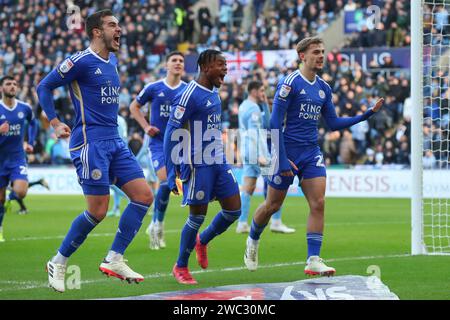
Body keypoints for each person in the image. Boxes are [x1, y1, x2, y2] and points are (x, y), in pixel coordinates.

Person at [243, 37, 384, 276]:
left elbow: (334, 123)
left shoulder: (324, 88)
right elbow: (276, 122)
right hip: (286, 150)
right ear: (303, 56)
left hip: (311, 152)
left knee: (319, 203)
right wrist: (280, 157)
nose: (321, 55)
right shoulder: (289, 83)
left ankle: (313, 259)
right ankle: (252, 241)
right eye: (316, 52)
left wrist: (366, 115)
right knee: (271, 205)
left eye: (322, 51)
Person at [36, 10, 153, 293]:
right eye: (113, 25)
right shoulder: (80, 61)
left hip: (115, 141)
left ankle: (114, 258)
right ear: (96, 32)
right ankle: (58, 261)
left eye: (120, 24)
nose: (120, 29)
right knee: (97, 211)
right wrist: (54, 121)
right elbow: (44, 86)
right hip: (90, 144)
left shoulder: (112, 62)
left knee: (143, 196)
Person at [164, 49, 241, 284]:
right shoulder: (190, 95)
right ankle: (180, 266)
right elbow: (171, 132)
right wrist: (171, 170)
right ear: (206, 67)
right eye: (221, 64)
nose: (225, 69)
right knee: (197, 216)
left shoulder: (214, 91)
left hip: (218, 159)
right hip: (197, 163)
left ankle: (202, 240)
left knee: (233, 211)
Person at [129, 51, 186, 250]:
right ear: (166, 65)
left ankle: (155, 222)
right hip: (158, 143)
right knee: (165, 180)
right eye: (174, 60)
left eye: (181, 61)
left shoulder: (187, 90)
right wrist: (145, 127)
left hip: (179, 144)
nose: (178, 63)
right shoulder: (154, 88)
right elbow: (134, 107)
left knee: (173, 186)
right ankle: (158, 225)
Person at [237, 80, 295, 234]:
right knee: (278, 183)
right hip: (257, 152)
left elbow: (263, 125)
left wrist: (264, 105)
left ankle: (242, 223)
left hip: (247, 151)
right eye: (262, 90)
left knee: (248, 188)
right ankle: (276, 221)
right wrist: (259, 156)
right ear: (254, 91)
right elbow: (259, 131)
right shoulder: (254, 109)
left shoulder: (244, 106)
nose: (263, 93)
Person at [0, 75, 38, 242]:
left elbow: (33, 123)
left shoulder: (25, 108)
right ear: (2, 88)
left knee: (21, 191)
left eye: (15, 84)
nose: (13, 86)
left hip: (17, 158)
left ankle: (11, 198)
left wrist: (29, 142)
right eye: (8, 84)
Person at [106, 114, 129, 217]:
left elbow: (117, 138)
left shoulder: (112, 119)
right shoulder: (121, 119)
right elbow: (124, 138)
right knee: (115, 182)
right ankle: (116, 208)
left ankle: (131, 198)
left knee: (110, 182)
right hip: (121, 150)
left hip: (115, 152)